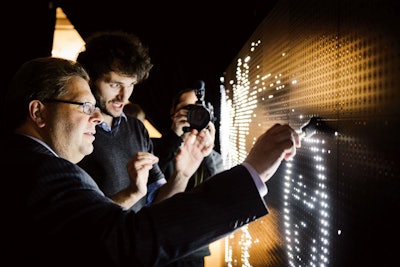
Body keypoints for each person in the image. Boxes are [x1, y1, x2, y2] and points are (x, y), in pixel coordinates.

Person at [3, 56, 300, 266]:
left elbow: (102, 230)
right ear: (38, 112)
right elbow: (126, 239)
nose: (96, 118)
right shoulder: (39, 171)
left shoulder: (33, 163)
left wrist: (182, 175)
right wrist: (252, 171)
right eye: (85, 106)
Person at [76, 30, 196, 211]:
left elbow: (158, 202)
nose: (123, 97)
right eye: (115, 85)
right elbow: (79, 221)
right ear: (89, 80)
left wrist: (182, 175)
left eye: (130, 85)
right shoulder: (73, 130)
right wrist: (133, 192)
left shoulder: (136, 127)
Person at [153, 87, 224, 266]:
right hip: (155, 244)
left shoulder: (212, 158)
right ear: (173, 111)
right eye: (187, 109)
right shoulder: (155, 146)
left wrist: (207, 152)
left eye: (197, 110)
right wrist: (174, 138)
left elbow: (219, 193)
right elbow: (151, 176)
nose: (193, 115)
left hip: (193, 249)